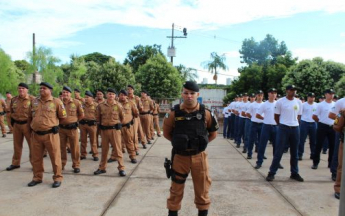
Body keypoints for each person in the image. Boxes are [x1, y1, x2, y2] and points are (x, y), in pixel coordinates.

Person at [163, 81, 218, 216]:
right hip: (180, 157)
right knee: (176, 189)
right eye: (186, 93)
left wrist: (198, 146)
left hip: (199, 157)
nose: (189, 96)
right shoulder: (173, 114)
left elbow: (213, 134)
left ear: (197, 94)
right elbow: (166, 133)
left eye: (192, 93)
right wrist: (180, 144)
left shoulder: (206, 113)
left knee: (203, 189)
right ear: (182, 94)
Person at [28, 82, 66, 188]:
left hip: (50, 134)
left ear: (50, 90)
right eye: (40, 88)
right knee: (36, 158)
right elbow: (30, 116)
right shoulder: (34, 101)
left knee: (55, 157)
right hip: (36, 135)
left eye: (44, 88)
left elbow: (62, 117)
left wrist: (55, 125)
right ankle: (37, 177)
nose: (41, 90)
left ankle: (57, 177)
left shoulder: (57, 102)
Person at [266, 85, 303, 182]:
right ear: (287, 91)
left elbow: (299, 115)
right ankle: (272, 172)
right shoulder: (280, 102)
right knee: (279, 151)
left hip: (295, 128)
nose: (293, 91)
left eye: (294, 90)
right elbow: (276, 116)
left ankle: (294, 173)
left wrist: (294, 123)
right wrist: (281, 125)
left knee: (295, 152)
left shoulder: (298, 102)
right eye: (291, 90)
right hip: (283, 128)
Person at [94, 88, 126, 176]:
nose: (111, 95)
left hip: (114, 130)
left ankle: (121, 168)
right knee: (104, 150)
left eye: (112, 94)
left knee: (118, 150)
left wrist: (119, 124)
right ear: (106, 95)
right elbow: (97, 117)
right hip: (104, 131)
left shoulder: (118, 105)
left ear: (115, 96)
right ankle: (102, 168)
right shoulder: (100, 105)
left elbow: (122, 118)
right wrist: (99, 125)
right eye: (109, 94)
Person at [6, 83, 35, 171]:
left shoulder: (33, 99)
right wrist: (11, 124)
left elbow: (36, 113)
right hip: (17, 125)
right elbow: (10, 112)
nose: (21, 90)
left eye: (23, 88)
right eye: (19, 88)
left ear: (27, 90)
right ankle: (15, 163)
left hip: (28, 125)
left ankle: (35, 164)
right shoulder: (14, 99)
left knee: (32, 145)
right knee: (17, 145)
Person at [255, 88, 281, 169]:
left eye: (275, 93)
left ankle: (277, 163)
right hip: (266, 126)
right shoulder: (264, 104)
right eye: (272, 93)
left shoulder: (278, 104)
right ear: (268, 94)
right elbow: (257, 115)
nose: (273, 95)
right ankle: (259, 162)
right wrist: (264, 119)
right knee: (262, 145)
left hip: (276, 127)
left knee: (276, 146)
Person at [59, 86, 84, 173]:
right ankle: (62, 164)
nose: (65, 94)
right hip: (61, 129)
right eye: (63, 92)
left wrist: (75, 122)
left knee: (75, 148)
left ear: (70, 94)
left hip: (72, 129)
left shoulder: (76, 102)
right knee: (61, 148)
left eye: (67, 92)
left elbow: (81, 115)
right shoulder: (58, 102)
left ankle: (76, 165)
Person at [311, 89, 336, 170]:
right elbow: (314, 116)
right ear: (326, 94)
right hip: (322, 126)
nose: (331, 95)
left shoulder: (335, 104)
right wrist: (320, 121)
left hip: (332, 127)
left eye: (333, 94)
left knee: (332, 146)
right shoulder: (321, 105)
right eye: (330, 93)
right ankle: (315, 162)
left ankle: (330, 163)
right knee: (318, 145)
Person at [118, 89, 139, 163]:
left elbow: (136, 114)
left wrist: (130, 120)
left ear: (126, 96)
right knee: (116, 143)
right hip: (117, 127)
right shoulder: (116, 104)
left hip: (127, 127)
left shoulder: (131, 103)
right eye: (121, 95)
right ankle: (114, 156)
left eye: (124, 95)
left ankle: (133, 156)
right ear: (119, 96)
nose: (123, 97)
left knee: (129, 142)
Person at [79, 91, 99, 161]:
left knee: (93, 141)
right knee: (83, 140)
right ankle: (83, 154)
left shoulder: (96, 105)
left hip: (92, 125)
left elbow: (98, 115)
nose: (86, 98)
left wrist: (96, 121)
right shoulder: (82, 105)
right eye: (85, 97)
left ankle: (95, 154)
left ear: (92, 98)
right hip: (83, 124)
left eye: (87, 97)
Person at [298, 92, 317, 161]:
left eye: (313, 97)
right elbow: (299, 114)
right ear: (307, 97)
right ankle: (300, 154)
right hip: (304, 123)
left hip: (313, 123)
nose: (311, 99)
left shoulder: (316, 105)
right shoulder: (303, 105)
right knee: (302, 140)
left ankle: (313, 154)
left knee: (313, 140)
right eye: (310, 97)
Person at [127, 85, 147, 151]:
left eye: (130, 89)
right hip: (127, 117)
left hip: (135, 117)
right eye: (128, 89)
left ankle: (136, 148)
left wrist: (136, 113)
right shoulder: (125, 98)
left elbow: (141, 108)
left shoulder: (137, 98)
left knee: (136, 132)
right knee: (131, 132)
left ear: (133, 90)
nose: (129, 90)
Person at [246, 90, 264, 159]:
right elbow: (247, 113)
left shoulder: (264, 104)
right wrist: (252, 118)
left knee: (261, 140)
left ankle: (260, 154)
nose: (260, 97)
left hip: (262, 124)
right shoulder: (252, 105)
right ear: (256, 96)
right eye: (258, 95)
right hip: (254, 123)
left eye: (261, 95)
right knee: (251, 139)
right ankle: (249, 153)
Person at [332, 108, 345, 199]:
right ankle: (338, 188)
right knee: (341, 166)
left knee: (341, 166)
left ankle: (339, 188)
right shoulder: (343, 112)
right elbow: (337, 126)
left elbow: (336, 126)